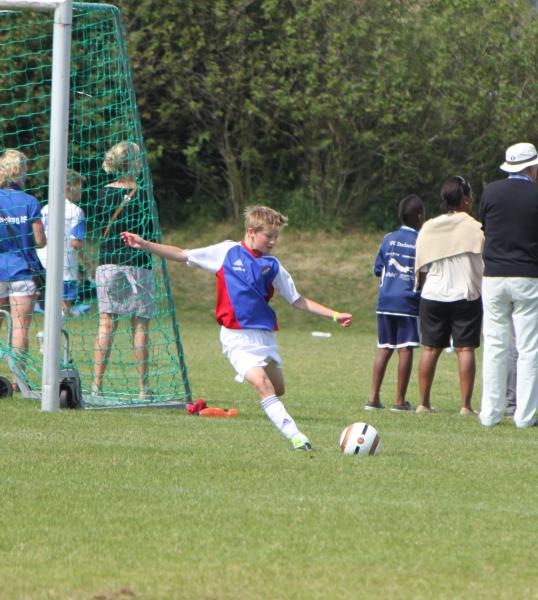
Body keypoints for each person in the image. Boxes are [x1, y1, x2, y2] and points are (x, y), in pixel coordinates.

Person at [121, 205, 353, 451]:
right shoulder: (227, 252)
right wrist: (144, 244)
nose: (273, 241)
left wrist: (334, 315)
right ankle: (297, 437)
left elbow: (297, 300)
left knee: (277, 389)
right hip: (236, 339)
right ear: (251, 231)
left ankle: (282, 417)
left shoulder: (273, 265)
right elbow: (182, 254)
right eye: (269, 236)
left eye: (276, 236)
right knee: (262, 383)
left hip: (265, 338)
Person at [479, 142, 538, 429]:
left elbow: (486, 227)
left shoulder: (490, 191)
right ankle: (524, 417)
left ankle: (490, 414)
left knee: (495, 346)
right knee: (528, 348)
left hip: (493, 276)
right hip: (527, 276)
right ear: (531, 167)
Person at [415, 176, 484, 415]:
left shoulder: (429, 227)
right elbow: (482, 262)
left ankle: (423, 403)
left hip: (433, 294)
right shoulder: (475, 227)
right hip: (464, 293)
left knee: (430, 349)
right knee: (465, 349)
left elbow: (422, 266)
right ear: (465, 200)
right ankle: (466, 406)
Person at [92, 141, 156, 399]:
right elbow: (151, 231)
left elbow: (99, 226)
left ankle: (96, 385)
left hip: (108, 262)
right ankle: (143, 388)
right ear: (134, 163)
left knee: (106, 324)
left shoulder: (101, 193)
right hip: (138, 263)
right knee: (140, 327)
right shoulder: (144, 194)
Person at [365, 194, 424, 412]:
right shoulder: (421, 241)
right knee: (405, 348)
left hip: (385, 300)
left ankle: (373, 399)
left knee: (384, 347)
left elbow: (378, 269)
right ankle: (399, 401)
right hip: (407, 301)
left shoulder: (388, 238)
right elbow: (424, 272)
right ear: (420, 217)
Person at [0, 149, 46, 387]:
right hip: (22, 271)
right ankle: (18, 381)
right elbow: (40, 240)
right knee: (20, 327)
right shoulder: (30, 201)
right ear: (19, 171)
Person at [36, 169, 88, 316]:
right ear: (68, 187)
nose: (82, 191)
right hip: (65, 265)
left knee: (49, 301)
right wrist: (86, 263)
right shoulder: (76, 211)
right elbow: (75, 243)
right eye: (80, 187)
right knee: (63, 306)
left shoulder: (46, 208)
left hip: (42, 262)